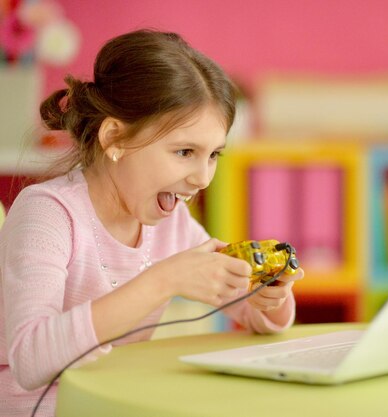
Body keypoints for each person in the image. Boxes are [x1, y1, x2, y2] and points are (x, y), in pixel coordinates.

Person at [0, 29, 303, 416]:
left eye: (213, 155)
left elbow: (255, 317)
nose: (202, 178)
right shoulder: (48, 215)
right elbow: (30, 358)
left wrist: (267, 297)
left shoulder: (172, 223)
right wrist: (164, 281)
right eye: (184, 151)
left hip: (115, 403)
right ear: (115, 138)